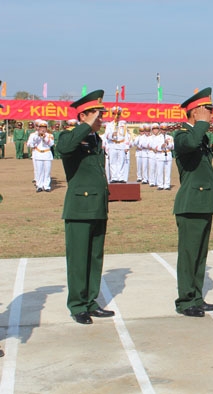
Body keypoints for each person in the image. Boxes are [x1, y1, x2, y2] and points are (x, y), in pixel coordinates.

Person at [57, 89, 114, 324]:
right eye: (96, 115)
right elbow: (64, 149)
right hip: (79, 207)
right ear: (83, 116)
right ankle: (77, 304)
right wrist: (86, 125)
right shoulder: (69, 136)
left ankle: (91, 300)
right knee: (79, 259)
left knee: (94, 257)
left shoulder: (95, 139)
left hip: (97, 206)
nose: (101, 120)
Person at [173, 87, 213, 317]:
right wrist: (201, 123)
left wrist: (202, 126)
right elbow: (190, 145)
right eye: (208, 110)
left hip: (203, 201)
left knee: (200, 255)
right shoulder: (182, 135)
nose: (212, 115)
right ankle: (185, 301)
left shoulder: (201, 135)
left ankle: (196, 297)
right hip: (190, 203)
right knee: (189, 255)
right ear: (196, 112)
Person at [27, 119, 54, 192]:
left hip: (47, 154)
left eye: (44, 127)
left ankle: (46, 186)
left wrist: (44, 137)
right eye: (41, 127)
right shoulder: (34, 135)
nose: (43, 129)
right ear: (38, 127)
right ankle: (39, 185)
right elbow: (30, 143)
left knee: (47, 171)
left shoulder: (49, 135)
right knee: (39, 171)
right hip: (38, 154)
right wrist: (38, 136)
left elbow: (51, 144)